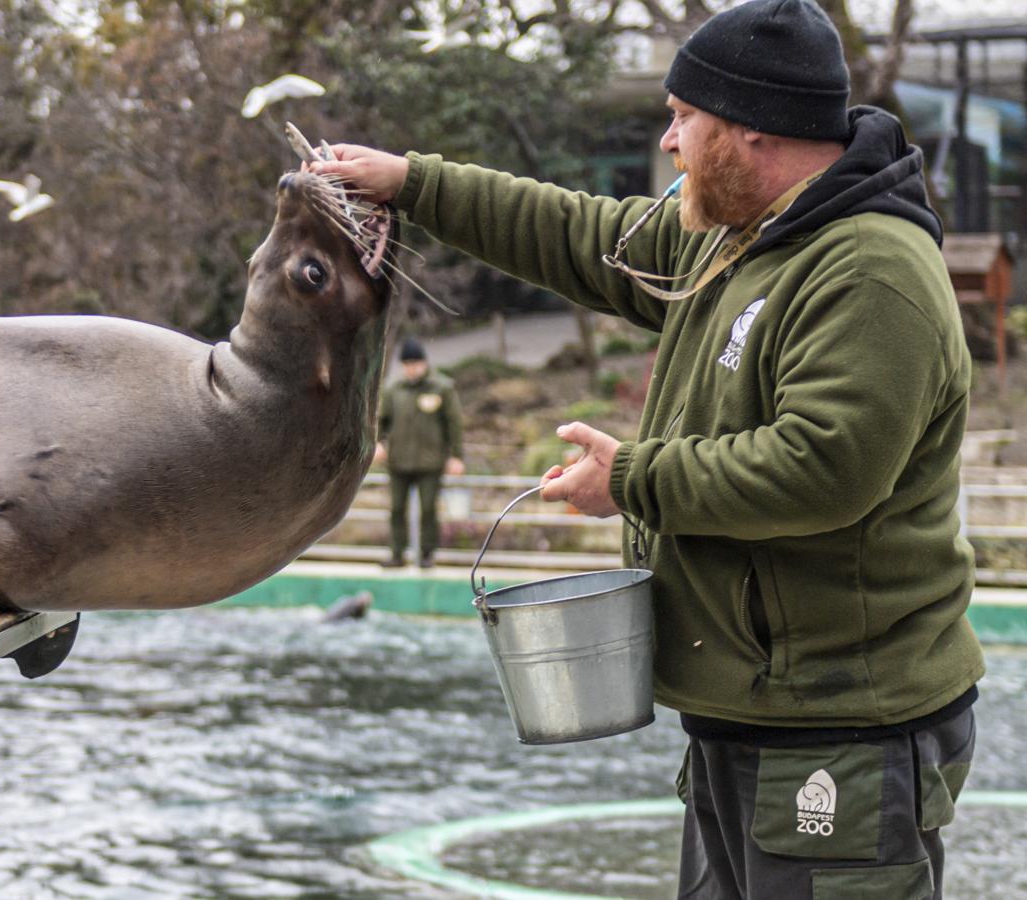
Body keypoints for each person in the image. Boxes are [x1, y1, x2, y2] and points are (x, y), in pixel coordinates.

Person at [313, 0, 983, 896]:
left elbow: (823, 470)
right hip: (744, 716)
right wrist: (415, 185)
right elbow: (580, 234)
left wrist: (631, 479)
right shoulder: (733, 240)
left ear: (748, 130)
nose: (668, 142)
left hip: (842, 731)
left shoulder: (869, 270)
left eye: (683, 118)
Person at [376, 337, 465, 568]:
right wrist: (377, 443)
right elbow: (381, 421)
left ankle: (427, 553)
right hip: (399, 461)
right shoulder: (394, 389)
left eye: (415, 363)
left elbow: (454, 424)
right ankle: (397, 553)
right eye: (407, 364)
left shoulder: (442, 387)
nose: (411, 368)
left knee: (428, 509)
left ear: (424, 363)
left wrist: (457, 456)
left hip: (430, 461)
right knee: (396, 509)